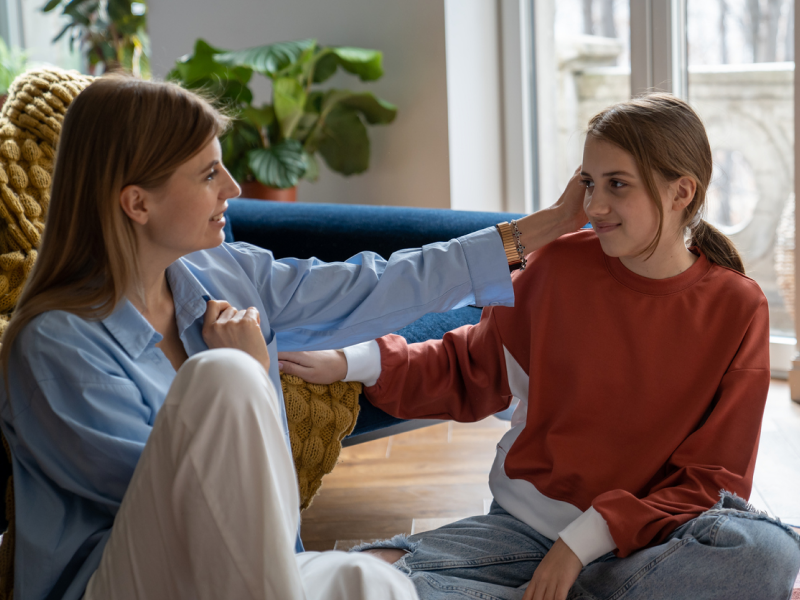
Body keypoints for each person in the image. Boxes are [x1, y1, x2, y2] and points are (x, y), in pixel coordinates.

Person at [0, 74, 587, 600]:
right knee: (223, 377)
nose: (232, 187)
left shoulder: (223, 273)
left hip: (258, 571)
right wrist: (254, 373)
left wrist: (547, 226)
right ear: (137, 203)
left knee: (370, 580)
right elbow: (186, 514)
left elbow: (373, 287)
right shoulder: (56, 346)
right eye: (208, 173)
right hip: (123, 579)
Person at [279, 94, 800, 600]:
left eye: (617, 185)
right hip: (523, 530)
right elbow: (469, 366)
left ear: (681, 192)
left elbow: (713, 479)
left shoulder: (737, 306)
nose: (595, 206)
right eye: (589, 183)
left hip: (648, 543)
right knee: (366, 577)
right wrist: (353, 362)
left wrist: (579, 546)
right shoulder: (557, 265)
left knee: (767, 552)